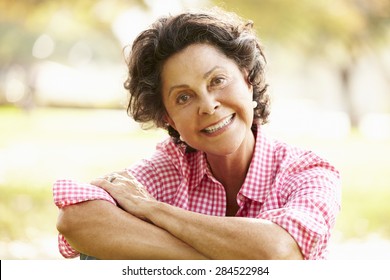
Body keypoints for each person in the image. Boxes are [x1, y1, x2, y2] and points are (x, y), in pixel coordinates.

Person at [54, 7, 341, 260]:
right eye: (183, 98)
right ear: (169, 119)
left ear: (248, 80)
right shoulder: (170, 167)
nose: (208, 105)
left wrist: (151, 210)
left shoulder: (308, 171)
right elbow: (76, 219)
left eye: (217, 80)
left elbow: (280, 252)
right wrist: (223, 260)